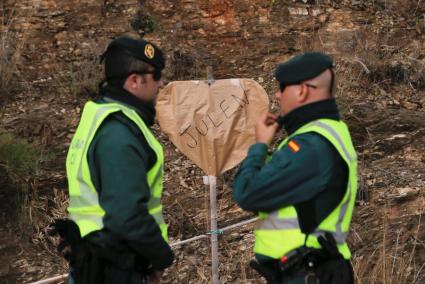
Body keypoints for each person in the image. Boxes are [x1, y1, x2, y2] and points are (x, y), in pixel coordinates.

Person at [52, 36, 174, 284]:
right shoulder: (119, 133)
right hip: (113, 268)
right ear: (134, 81)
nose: (161, 82)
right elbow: (127, 215)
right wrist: (161, 257)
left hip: (99, 263)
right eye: (156, 75)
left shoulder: (100, 116)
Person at [232, 52, 357, 284]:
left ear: (301, 90)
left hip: (309, 272)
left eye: (282, 87)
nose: (278, 95)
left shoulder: (311, 145)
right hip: (314, 268)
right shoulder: (329, 131)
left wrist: (259, 145)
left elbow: (247, 191)